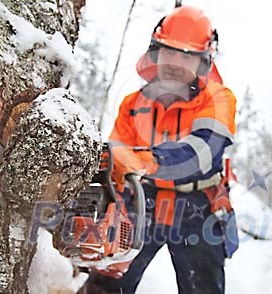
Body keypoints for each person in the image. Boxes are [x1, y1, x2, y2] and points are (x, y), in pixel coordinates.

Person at [80, 5, 238, 294]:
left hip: (199, 203)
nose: (175, 62)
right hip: (144, 199)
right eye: (168, 51)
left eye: (186, 55)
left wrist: (148, 159)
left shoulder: (218, 99)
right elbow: (118, 163)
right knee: (108, 279)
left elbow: (202, 152)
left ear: (204, 60)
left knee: (202, 286)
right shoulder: (133, 103)